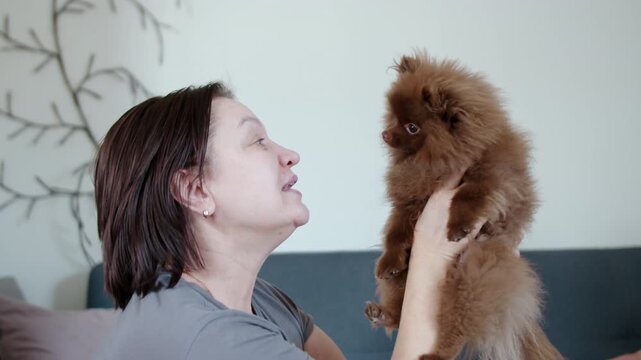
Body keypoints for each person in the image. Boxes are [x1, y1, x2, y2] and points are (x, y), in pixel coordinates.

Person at [93, 82, 482, 360]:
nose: (290, 154)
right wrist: (432, 250)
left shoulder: (257, 301)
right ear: (195, 190)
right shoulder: (209, 337)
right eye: (257, 141)